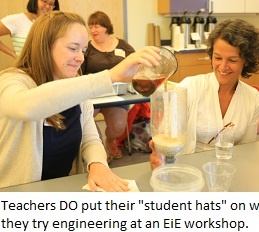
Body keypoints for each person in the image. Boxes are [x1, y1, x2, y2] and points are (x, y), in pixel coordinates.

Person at [0, 11, 161, 191]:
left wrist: (97, 163)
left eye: (83, 50)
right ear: (45, 46)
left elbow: (89, 136)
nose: (81, 58)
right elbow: (27, 107)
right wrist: (110, 76)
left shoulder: (74, 84)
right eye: (73, 48)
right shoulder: (10, 80)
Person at [150, 19, 259, 170]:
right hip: (187, 172)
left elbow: (247, 150)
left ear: (247, 61)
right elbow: (166, 140)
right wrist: (158, 157)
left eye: (232, 60)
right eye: (217, 58)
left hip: (227, 174)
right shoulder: (189, 88)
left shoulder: (253, 98)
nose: (223, 67)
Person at [81, 11, 135, 162]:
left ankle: (110, 140)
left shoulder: (123, 46)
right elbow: (79, 72)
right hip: (93, 94)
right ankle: (97, 148)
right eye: (90, 26)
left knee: (118, 126)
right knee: (86, 121)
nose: (93, 30)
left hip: (117, 94)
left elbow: (136, 65)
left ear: (106, 27)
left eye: (97, 26)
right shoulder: (87, 48)